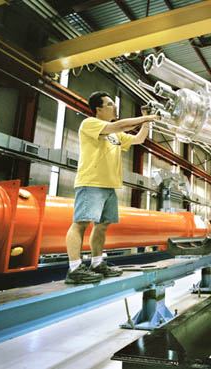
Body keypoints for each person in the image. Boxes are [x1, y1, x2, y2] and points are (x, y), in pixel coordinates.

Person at [64, 91, 156, 284]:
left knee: (102, 226)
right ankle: (74, 268)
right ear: (98, 109)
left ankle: (97, 263)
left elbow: (138, 139)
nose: (115, 107)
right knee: (80, 223)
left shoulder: (115, 134)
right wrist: (146, 117)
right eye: (110, 104)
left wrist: (147, 122)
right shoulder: (90, 124)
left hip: (109, 186)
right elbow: (121, 124)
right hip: (91, 183)